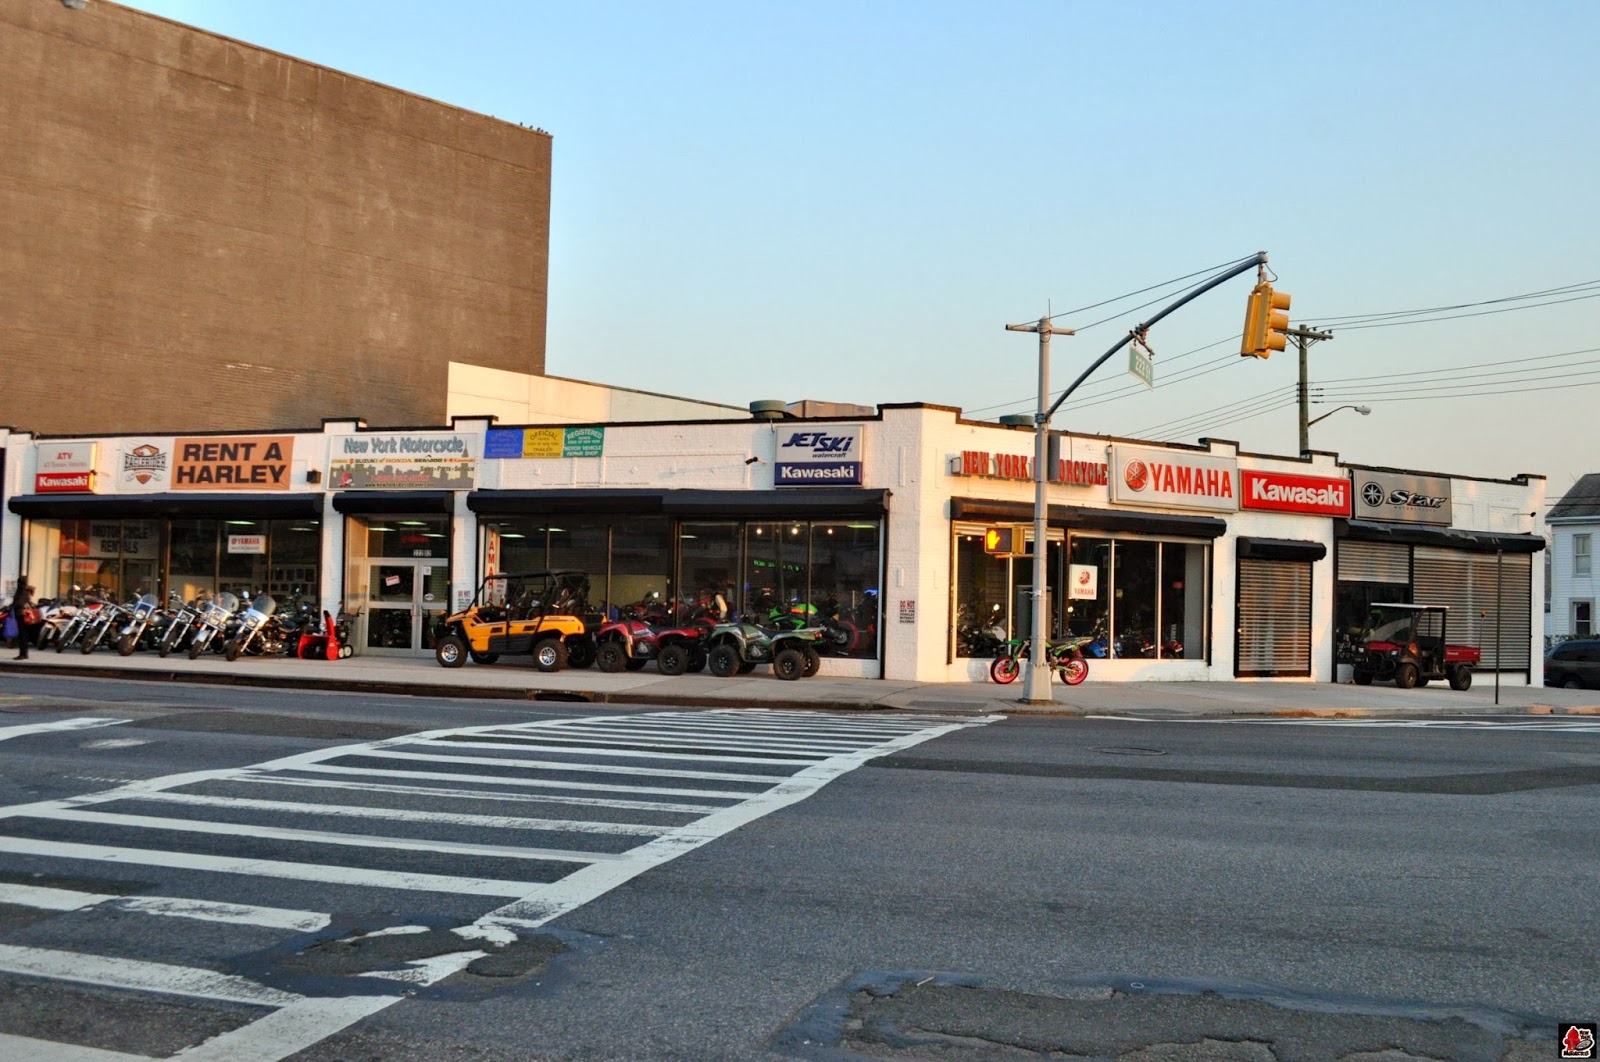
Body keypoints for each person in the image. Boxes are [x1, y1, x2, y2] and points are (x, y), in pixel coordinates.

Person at [11, 584, 35, 659]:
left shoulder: (23, 592)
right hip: (22, 616)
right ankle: (24, 653)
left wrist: (14, 605)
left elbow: (19, 603)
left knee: (22, 636)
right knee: (23, 636)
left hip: (21, 616)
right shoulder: (26, 592)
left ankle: (23, 654)